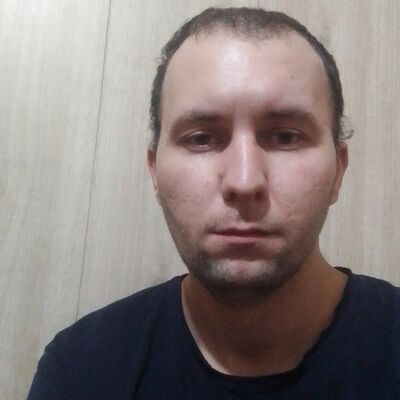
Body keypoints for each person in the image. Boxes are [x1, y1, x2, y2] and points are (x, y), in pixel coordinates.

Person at [28, 7, 400, 399]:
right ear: (154, 171)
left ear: (338, 170)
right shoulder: (80, 371)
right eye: (202, 138)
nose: (244, 181)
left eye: (285, 137)